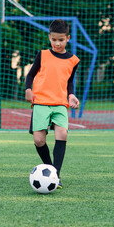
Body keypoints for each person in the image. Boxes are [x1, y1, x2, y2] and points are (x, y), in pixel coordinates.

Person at [25, 19, 80, 189]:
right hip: (41, 102)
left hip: (60, 103)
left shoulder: (73, 60)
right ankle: (51, 170)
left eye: (61, 40)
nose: (57, 43)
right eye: (54, 39)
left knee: (62, 134)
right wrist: (28, 89)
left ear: (68, 38)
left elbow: (69, 81)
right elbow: (30, 75)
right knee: (39, 140)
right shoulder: (42, 55)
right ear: (49, 37)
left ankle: (55, 174)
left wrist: (71, 95)